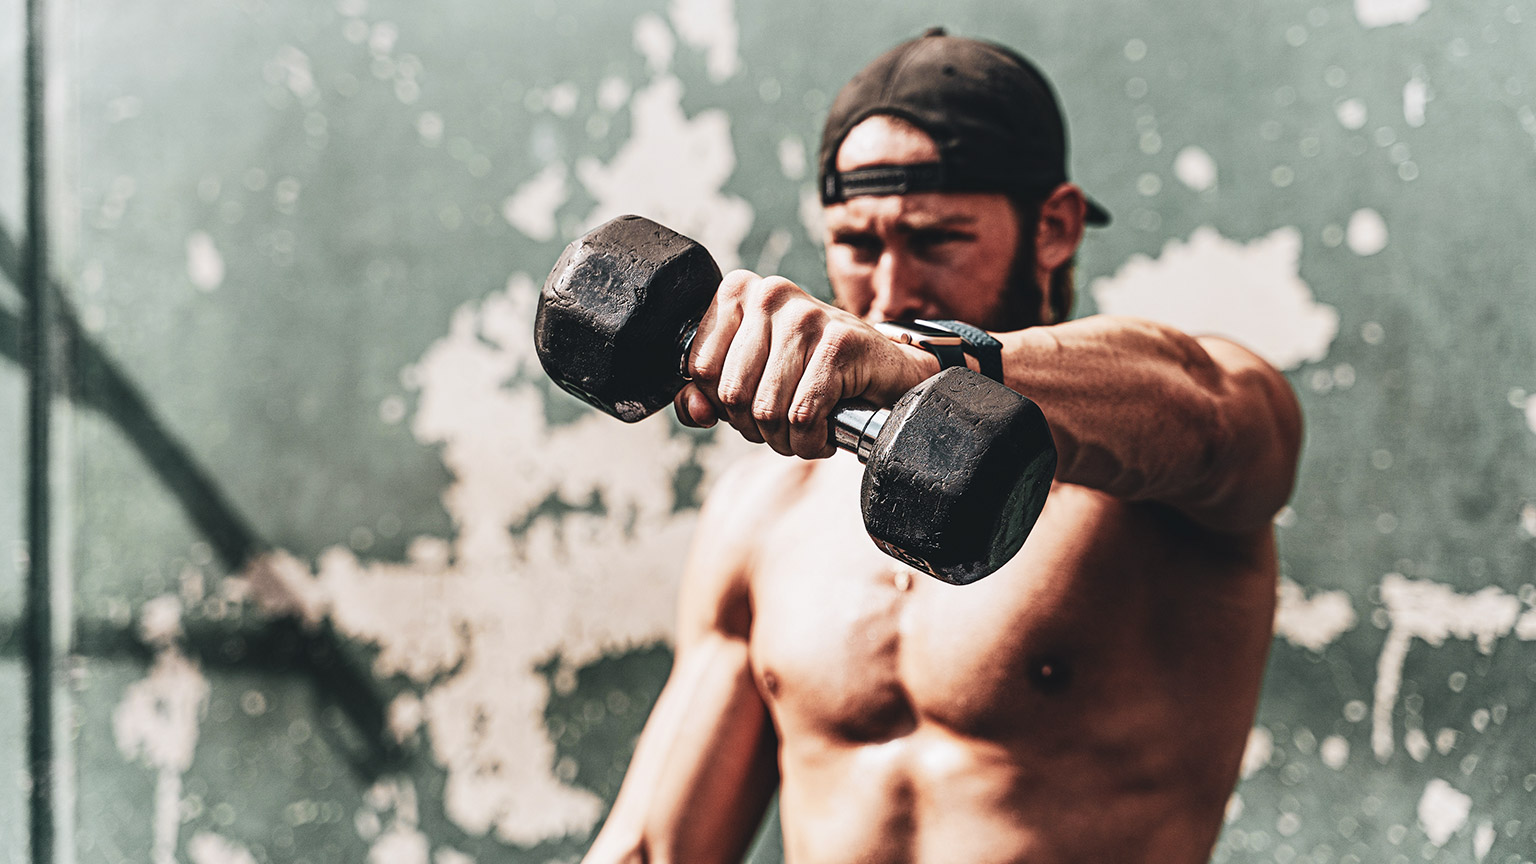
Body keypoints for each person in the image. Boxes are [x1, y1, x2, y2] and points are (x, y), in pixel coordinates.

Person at [583, 28, 1302, 864]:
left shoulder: (1161, 473)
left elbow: (1210, 403)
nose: (889, 289)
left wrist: (927, 363)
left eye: (935, 239)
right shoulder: (761, 514)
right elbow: (657, 848)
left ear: (1055, 228)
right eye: (856, 243)